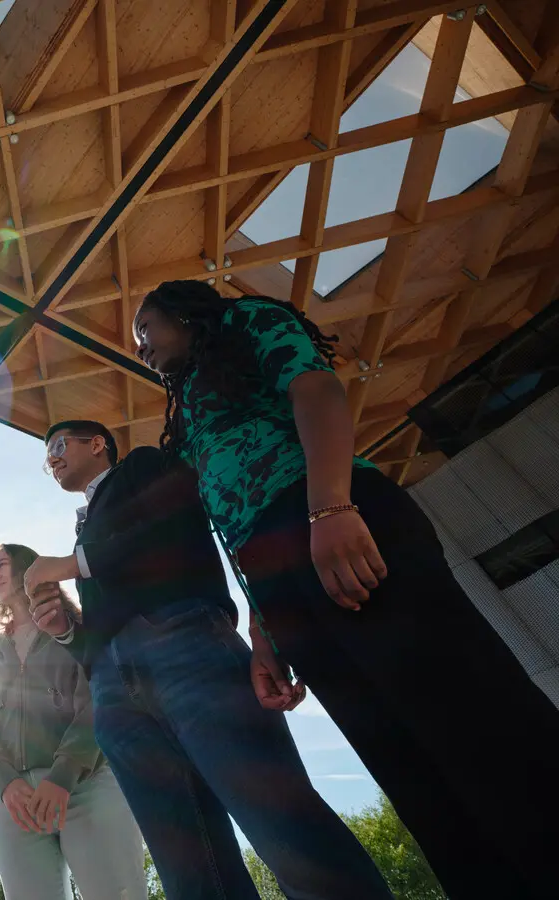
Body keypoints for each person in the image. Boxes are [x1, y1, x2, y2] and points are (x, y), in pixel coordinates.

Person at [129, 280, 559, 900]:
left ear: (187, 312)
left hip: (334, 518)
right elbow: (231, 519)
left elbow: (316, 389)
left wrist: (330, 507)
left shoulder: (247, 321)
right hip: (279, 582)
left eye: (147, 328)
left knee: (475, 720)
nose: (140, 346)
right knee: (404, 765)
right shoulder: (192, 402)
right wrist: (265, 627)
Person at [24, 420, 391, 900]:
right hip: (113, 690)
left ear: (97, 444)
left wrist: (72, 564)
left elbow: (169, 527)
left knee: (281, 825)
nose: (51, 458)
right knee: (188, 866)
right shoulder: (86, 523)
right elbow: (104, 627)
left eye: (58, 445)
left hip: (186, 648)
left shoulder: (145, 466)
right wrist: (66, 631)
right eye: (46, 455)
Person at [0, 543, 147, 900]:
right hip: (15, 804)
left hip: (86, 785)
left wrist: (62, 775)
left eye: (1, 564)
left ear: (29, 568)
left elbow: (98, 700)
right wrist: (5, 784)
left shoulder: (75, 630)